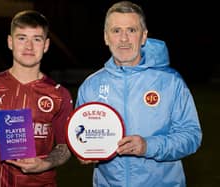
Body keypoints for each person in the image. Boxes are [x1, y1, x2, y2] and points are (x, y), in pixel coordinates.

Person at [75, 1, 202, 186]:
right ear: (105, 37)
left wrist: (148, 146)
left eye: (132, 30)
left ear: (143, 36)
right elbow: (79, 135)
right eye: (116, 30)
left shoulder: (170, 82)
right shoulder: (91, 86)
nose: (124, 39)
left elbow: (191, 136)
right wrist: (82, 151)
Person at [0, 10, 73, 187]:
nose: (29, 46)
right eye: (21, 38)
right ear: (10, 42)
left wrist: (45, 164)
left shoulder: (60, 95)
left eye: (36, 39)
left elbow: (65, 148)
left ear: (46, 45)